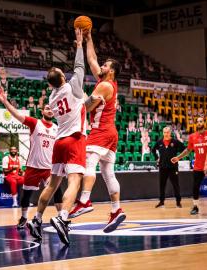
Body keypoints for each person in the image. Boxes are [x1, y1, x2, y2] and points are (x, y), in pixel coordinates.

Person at [27, 28, 86, 245]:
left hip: (58, 143)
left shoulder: (52, 98)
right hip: (74, 139)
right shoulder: (73, 88)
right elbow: (80, 67)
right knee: (75, 181)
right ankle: (62, 218)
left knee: (52, 185)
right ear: (62, 77)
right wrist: (79, 44)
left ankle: (37, 219)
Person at [68, 30, 125, 233]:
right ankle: (116, 210)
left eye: (105, 66)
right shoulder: (108, 82)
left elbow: (87, 107)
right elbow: (92, 59)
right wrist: (87, 39)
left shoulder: (104, 87)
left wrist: (79, 93)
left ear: (111, 72)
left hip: (101, 130)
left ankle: (84, 200)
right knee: (108, 172)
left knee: (88, 162)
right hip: (111, 132)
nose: (101, 66)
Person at [0, 87, 62, 229]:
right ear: (42, 111)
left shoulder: (57, 128)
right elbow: (16, 115)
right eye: (47, 108)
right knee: (26, 195)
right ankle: (24, 217)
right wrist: (5, 102)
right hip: (33, 166)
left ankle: (62, 219)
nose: (50, 110)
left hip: (49, 168)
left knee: (57, 191)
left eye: (52, 108)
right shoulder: (35, 123)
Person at [171, 117, 207, 215]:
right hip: (198, 166)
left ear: (204, 123)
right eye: (197, 122)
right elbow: (188, 150)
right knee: (195, 187)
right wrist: (178, 158)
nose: (199, 123)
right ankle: (195, 207)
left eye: (201, 121)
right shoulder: (192, 136)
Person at [152, 126, 185, 208]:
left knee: (175, 185)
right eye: (164, 132)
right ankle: (161, 202)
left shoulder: (175, 142)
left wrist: (179, 158)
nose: (166, 134)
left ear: (170, 133)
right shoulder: (159, 142)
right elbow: (153, 150)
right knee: (162, 185)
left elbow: (184, 149)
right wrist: (157, 158)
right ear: (163, 133)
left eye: (167, 132)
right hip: (162, 167)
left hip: (173, 167)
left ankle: (178, 202)